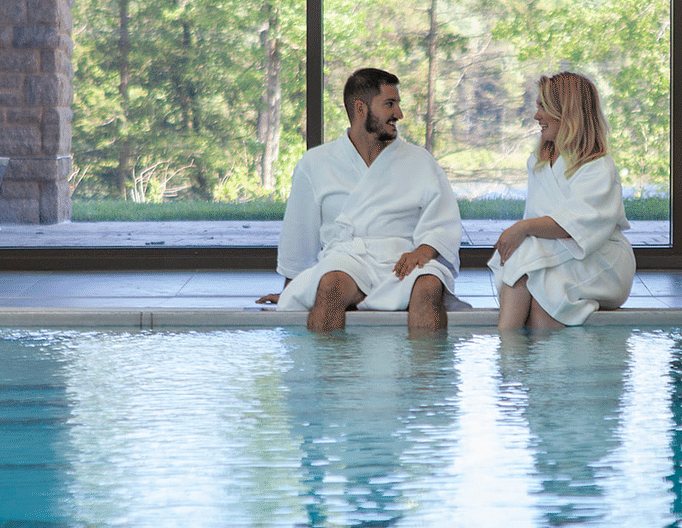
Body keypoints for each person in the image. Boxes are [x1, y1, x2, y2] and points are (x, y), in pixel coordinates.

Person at [256, 68, 462, 333]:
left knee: (430, 286)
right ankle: (327, 374)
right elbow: (299, 234)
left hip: (405, 260)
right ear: (360, 108)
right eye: (390, 104)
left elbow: (443, 221)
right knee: (330, 285)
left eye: (398, 104)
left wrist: (423, 251)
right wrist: (295, 290)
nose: (399, 114)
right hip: (347, 259)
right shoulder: (315, 164)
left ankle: (430, 375)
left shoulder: (420, 161)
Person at [490, 71, 636, 330]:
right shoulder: (538, 163)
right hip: (554, 257)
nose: (537, 116)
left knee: (532, 274)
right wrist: (526, 232)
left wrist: (522, 228)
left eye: (543, 107)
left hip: (601, 261)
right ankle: (520, 356)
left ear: (567, 112)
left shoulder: (598, 167)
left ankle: (508, 356)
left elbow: (575, 226)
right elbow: (539, 227)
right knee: (542, 296)